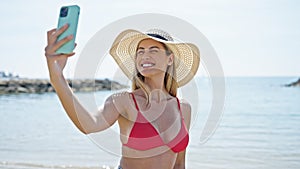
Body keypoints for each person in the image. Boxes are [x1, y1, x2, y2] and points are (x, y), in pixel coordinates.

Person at [44, 25, 200, 169]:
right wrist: (57, 78)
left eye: (153, 50)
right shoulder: (124, 101)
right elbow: (89, 124)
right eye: (140, 51)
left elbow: (179, 164)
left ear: (170, 59)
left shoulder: (183, 108)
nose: (145, 55)